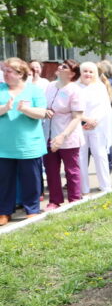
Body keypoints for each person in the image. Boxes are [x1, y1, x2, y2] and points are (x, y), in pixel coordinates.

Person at [0, 58, 47, 225]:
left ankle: (32, 210)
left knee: (31, 179)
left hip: (29, 144)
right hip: (3, 145)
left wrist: (26, 109)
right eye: (4, 71)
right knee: (4, 180)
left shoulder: (34, 90)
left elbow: (42, 113)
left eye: (9, 71)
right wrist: (5, 108)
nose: (5, 74)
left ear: (20, 74)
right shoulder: (0, 89)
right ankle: (4, 212)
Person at [43, 59, 84, 210]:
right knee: (51, 170)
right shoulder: (50, 86)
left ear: (72, 74)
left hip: (68, 136)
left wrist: (62, 136)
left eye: (64, 67)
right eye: (61, 64)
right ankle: (54, 200)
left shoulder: (75, 90)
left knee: (71, 170)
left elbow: (77, 117)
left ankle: (74, 200)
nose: (60, 67)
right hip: (48, 135)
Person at [78, 62, 112, 193]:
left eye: (91, 71)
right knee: (81, 157)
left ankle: (105, 186)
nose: (88, 74)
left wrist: (94, 121)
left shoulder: (100, 87)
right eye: (85, 71)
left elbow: (105, 107)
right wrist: (84, 120)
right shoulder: (75, 86)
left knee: (100, 154)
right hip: (79, 126)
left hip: (97, 126)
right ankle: (83, 188)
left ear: (95, 73)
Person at [98, 59, 112, 173]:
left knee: (106, 141)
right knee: (106, 140)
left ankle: (108, 165)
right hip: (105, 115)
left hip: (103, 116)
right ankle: (108, 165)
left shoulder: (108, 83)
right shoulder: (109, 82)